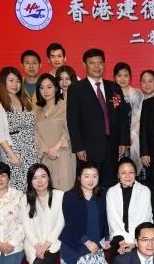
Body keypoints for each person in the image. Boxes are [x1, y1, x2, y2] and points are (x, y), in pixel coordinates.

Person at [67, 48, 130, 188]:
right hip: (88, 148)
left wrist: (123, 140)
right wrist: (78, 147)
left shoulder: (114, 87)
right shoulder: (76, 88)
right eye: (92, 63)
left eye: (100, 63)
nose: (97, 66)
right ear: (84, 65)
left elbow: (122, 117)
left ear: (104, 64)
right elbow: (72, 121)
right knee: (89, 186)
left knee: (110, 185)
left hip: (112, 146)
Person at [0, 66, 38, 192]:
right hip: (15, 150)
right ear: (4, 82)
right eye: (11, 80)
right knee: (19, 188)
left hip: (31, 149)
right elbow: (0, 135)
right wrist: (12, 155)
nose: (15, 84)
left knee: (34, 184)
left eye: (18, 81)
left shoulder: (24, 100)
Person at [35, 73, 75, 191]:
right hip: (45, 156)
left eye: (49, 87)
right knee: (47, 192)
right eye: (42, 88)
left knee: (65, 191)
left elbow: (70, 130)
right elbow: (35, 134)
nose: (45, 91)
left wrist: (56, 148)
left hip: (63, 154)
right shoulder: (37, 111)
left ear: (56, 88)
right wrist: (47, 150)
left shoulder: (65, 106)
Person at [106, 158, 153, 255]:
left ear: (135, 173)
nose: (127, 176)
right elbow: (112, 219)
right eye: (123, 173)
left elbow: (145, 218)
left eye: (131, 172)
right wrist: (122, 242)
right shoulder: (111, 192)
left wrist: (134, 243)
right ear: (118, 175)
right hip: (118, 239)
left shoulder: (144, 191)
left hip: (141, 238)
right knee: (119, 261)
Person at [114, 62, 145, 173]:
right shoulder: (110, 94)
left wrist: (129, 137)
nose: (123, 79)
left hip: (135, 137)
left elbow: (141, 118)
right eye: (119, 75)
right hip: (116, 137)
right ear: (114, 77)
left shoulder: (138, 94)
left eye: (126, 75)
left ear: (130, 77)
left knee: (133, 170)